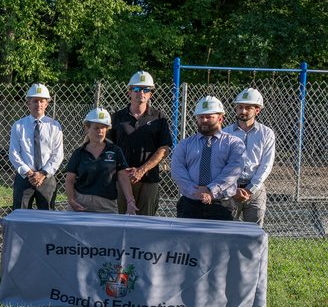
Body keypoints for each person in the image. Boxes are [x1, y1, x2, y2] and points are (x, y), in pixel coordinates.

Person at [108, 71, 173, 216]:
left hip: (149, 180)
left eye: (146, 89)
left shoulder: (159, 118)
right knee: (119, 222)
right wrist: (121, 170)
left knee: (146, 225)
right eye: (137, 89)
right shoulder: (117, 117)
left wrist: (141, 170)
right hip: (121, 180)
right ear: (129, 92)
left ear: (150, 94)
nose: (141, 93)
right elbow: (108, 148)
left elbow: (164, 149)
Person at [171, 96, 245, 220]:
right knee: (187, 240)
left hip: (221, 206)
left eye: (209, 117)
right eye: (200, 117)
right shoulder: (185, 144)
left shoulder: (234, 144)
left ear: (220, 118)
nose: (204, 120)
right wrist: (195, 191)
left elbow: (233, 171)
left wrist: (211, 189)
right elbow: (177, 170)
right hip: (190, 205)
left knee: (221, 240)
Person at [64, 108, 137, 214]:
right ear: (87, 129)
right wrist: (71, 201)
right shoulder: (79, 152)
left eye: (103, 128)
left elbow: (123, 178)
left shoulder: (115, 151)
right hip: (80, 203)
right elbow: (70, 180)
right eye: (96, 128)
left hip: (107, 205)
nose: (100, 131)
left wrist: (130, 201)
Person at [222, 88, 276, 227]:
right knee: (226, 229)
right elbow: (220, 163)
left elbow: (266, 164)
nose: (243, 111)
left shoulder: (266, 134)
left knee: (254, 231)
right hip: (230, 189)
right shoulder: (225, 133)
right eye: (240, 107)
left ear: (257, 110)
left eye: (248, 108)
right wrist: (233, 189)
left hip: (255, 190)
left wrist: (251, 188)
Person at [9, 83, 64, 210]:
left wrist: (43, 173)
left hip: (47, 178)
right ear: (28, 104)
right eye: (34, 101)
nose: (38, 104)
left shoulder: (55, 126)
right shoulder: (18, 126)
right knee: (21, 216)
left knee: (47, 217)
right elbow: (14, 153)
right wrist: (29, 173)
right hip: (25, 178)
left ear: (46, 104)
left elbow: (58, 154)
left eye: (41, 101)